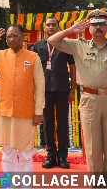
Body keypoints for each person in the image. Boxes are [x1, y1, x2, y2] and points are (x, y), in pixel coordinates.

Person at [47, 10, 107, 174]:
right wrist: (71, 30)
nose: (98, 27)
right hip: (89, 100)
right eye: (94, 24)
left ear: (106, 27)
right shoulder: (79, 46)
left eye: (101, 24)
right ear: (89, 28)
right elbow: (51, 40)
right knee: (92, 146)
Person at [0, 25, 45, 173]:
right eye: (9, 36)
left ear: (23, 38)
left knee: (25, 154)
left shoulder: (33, 57)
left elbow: (40, 85)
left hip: (26, 113)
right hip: (5, 112)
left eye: (15, 36)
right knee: (7, 155)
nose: (12, 39)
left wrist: (38, 111)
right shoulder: (0, 55)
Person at [30, 17, 76, 169]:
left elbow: (73, 67)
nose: (51, 27)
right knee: (48, 123)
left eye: (53, 25)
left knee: (62, 123)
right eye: (48, 25)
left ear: (58, 27)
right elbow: (32, 69)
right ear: (44, 27)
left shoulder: (65, 45)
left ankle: (63, 157)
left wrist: (73, 90)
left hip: (63, 90)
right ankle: (50, 156)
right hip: (44, 91)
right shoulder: (37, 46)